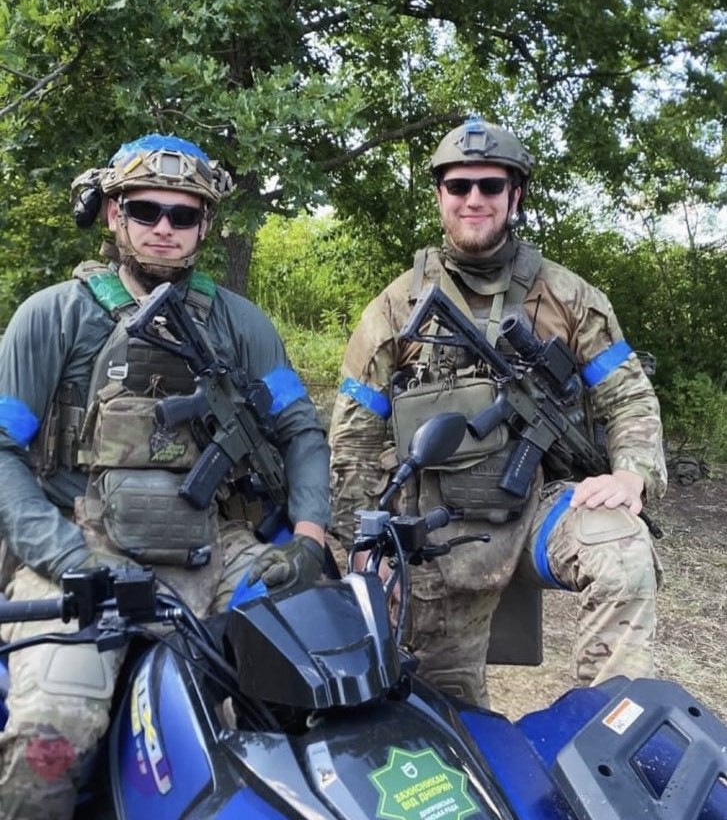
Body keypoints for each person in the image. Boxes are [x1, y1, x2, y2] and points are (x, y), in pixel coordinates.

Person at [0, 133, 330, 819]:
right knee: (47, 741)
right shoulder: (53, 316)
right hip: (84, 548)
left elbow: (300, 430)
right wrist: (67, 559)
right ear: (113, 214)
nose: (163, 228)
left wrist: (308, 538)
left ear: (204, 226)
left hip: (216, 549)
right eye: (145, 210)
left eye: (182, 215)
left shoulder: (241, 325)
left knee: (326, 680)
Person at [328, 115, 667, 707]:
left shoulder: (568, 297)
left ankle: (608, 723)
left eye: (490, 185)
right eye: (458, 185)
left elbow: (628, 395)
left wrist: (631, 473)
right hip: (435, 526)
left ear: (515, 195)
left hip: (541, 505)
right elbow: (352, 440)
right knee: (444, 706)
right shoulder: (395, 307)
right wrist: (362, 547)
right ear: (440, 195)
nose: (474, 199)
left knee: (622, 548)